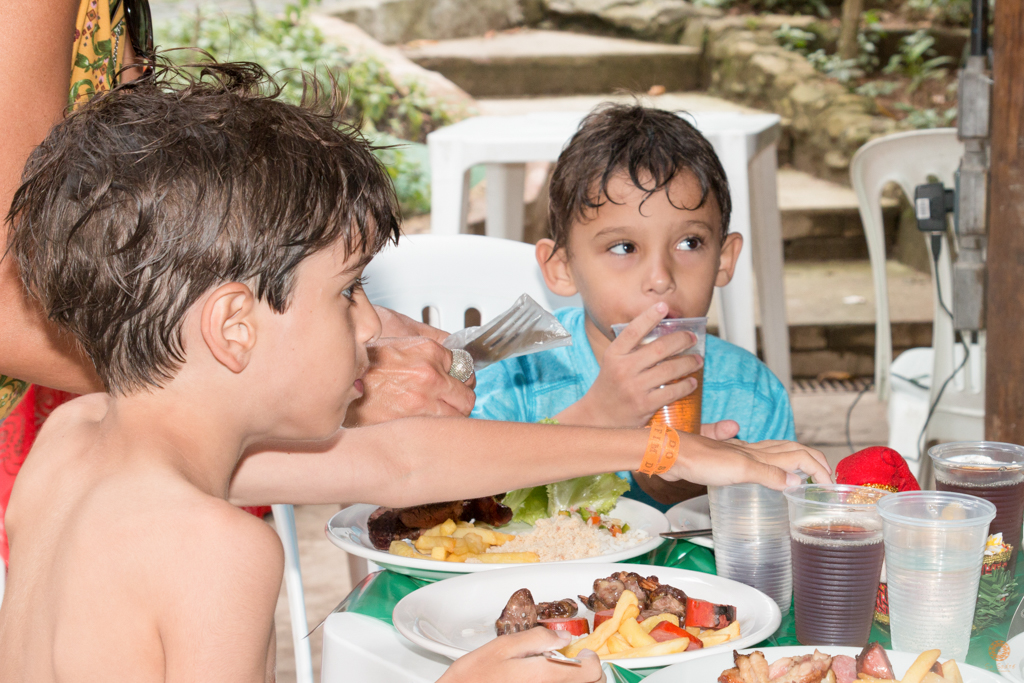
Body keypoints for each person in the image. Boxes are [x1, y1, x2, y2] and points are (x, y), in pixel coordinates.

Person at [0, 63, 830, 682]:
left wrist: (666, 451)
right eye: (349, 294)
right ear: (235, 327)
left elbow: (409, 459)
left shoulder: (78, 438)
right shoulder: (219, 550)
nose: (372, 325)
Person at [472, 103, 797, 510]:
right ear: (561, 268)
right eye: (623, 247)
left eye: (689, 243)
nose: (661, 277)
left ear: (725, 259)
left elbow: (765, 538)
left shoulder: (751, 393)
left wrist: (688, 485)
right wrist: (598, 419)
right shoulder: (516, 371)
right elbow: (460, 501)